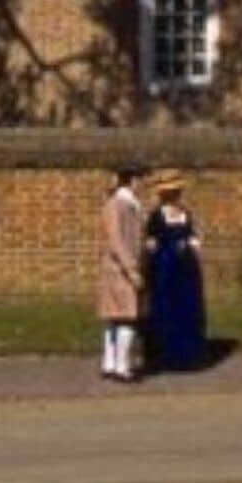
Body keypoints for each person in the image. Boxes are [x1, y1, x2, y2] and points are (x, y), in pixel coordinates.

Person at [144, 171, 209, 373]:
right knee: (165, 307)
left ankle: (187, 355)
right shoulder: (156, 216)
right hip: (165, 267)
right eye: (170, 192)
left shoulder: (185, 214)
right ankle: (164, 355)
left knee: (187, 307)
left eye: (176, 191)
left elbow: (191, 234)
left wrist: (193, 243)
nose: (174, 195)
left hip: (186, 268)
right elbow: (151, 243)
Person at [97, 163, 148, 383]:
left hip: (117, 267)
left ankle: (109, 364)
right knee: (126, 316)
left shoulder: (126, 204)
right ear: (133, 180)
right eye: (141, 179)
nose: (143, 184)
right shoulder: (119, 204)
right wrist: (132, 269)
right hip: (120, 268)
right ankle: (121, 366)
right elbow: (116, 239)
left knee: (114, 317)